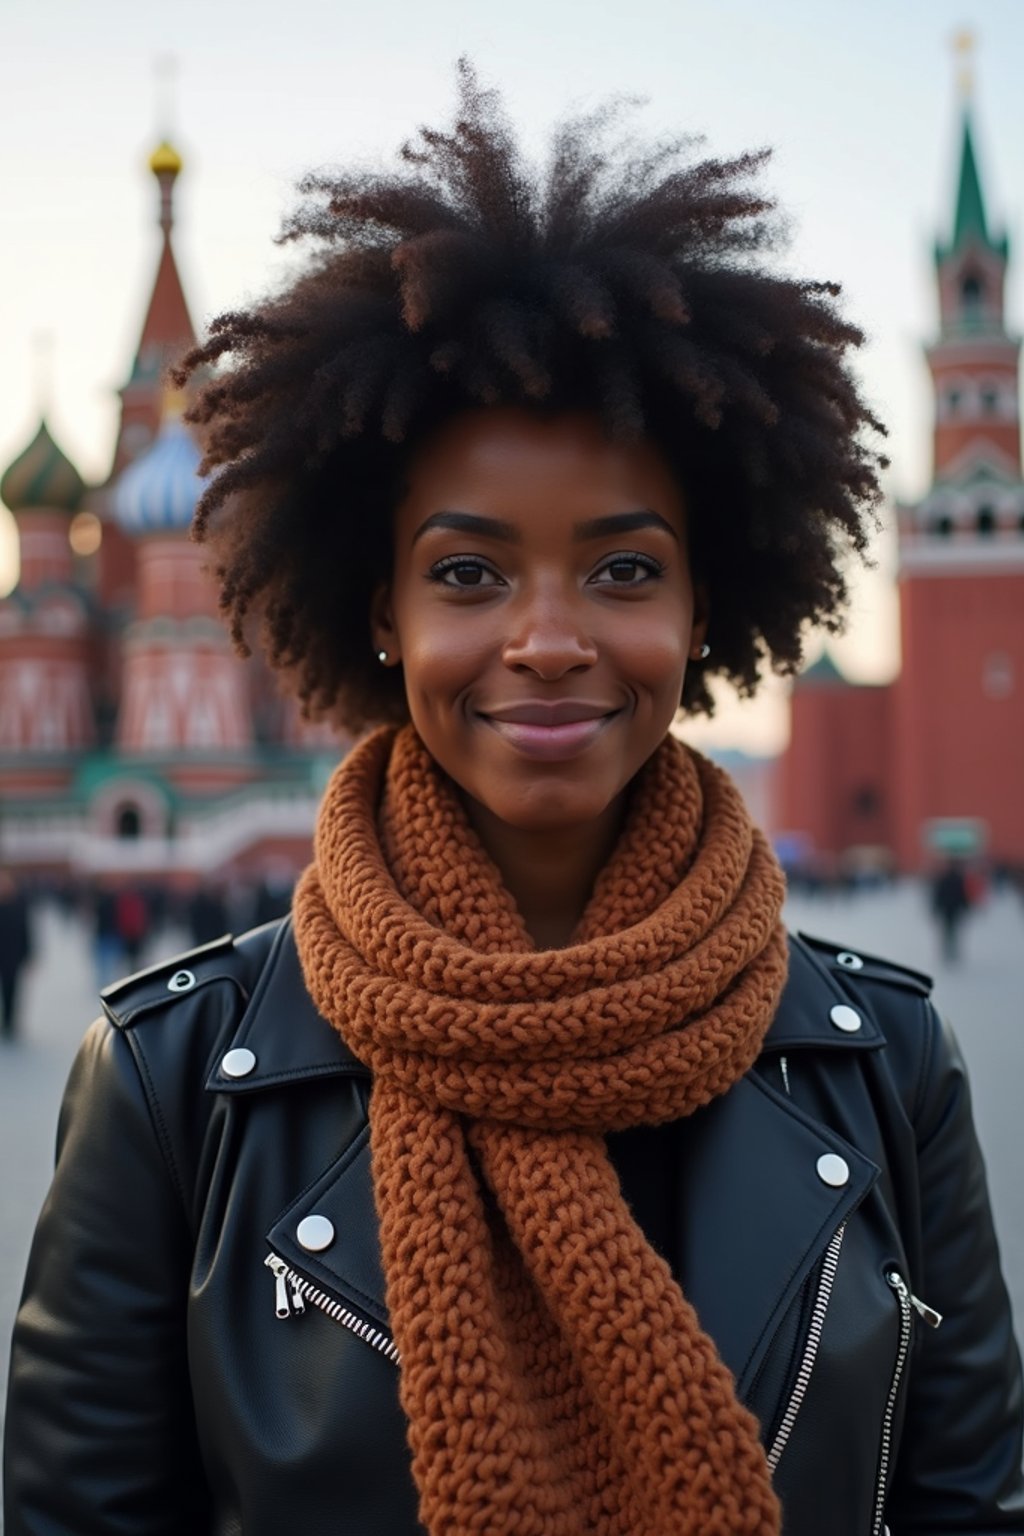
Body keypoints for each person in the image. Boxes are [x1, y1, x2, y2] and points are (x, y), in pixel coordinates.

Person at [5, 68, 1023, 1536]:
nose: (549, 638)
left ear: (703, 607)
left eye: (622, 568)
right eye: (469, 573)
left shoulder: (887, 1066)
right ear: (377, 611)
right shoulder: (177, 1080)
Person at [0, 869, 32, 1041]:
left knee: (12, 990)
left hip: (13, 956)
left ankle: (10, 1021)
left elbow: (26, 931)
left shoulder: (19, 905)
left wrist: (29, 955)